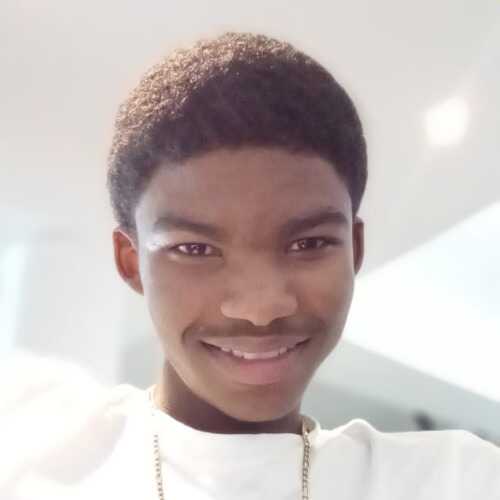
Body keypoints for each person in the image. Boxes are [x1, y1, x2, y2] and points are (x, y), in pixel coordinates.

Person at [1, 31, 499, 499]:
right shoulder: (33, 461)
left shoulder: (453, 480)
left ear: (354, 250)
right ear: (131, 263)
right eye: (195, 249)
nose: (260, 308)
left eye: (308, 243)